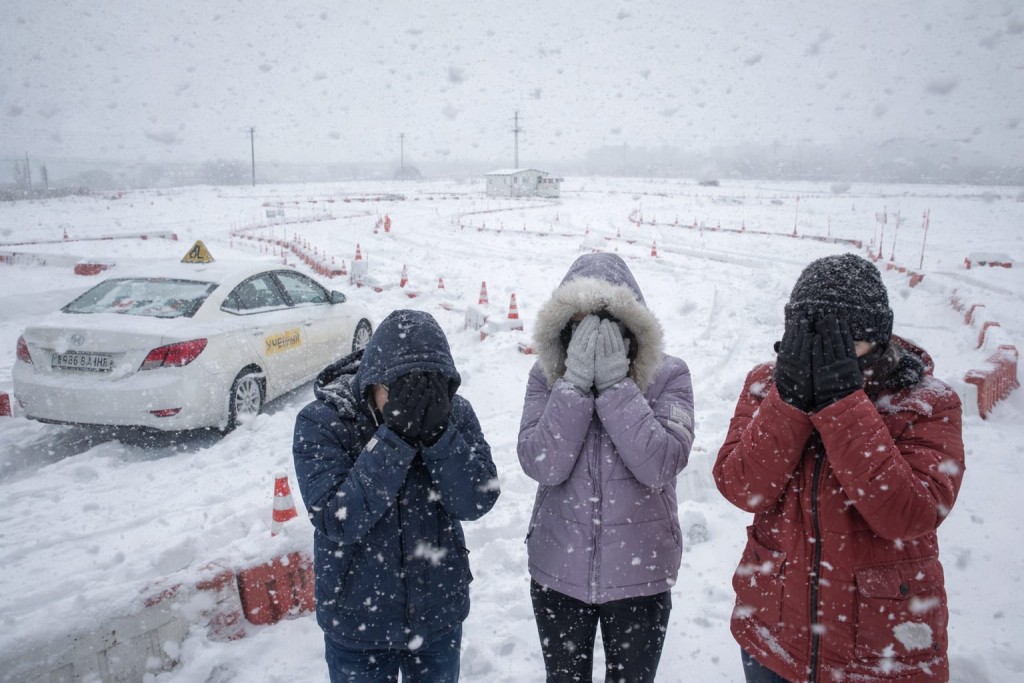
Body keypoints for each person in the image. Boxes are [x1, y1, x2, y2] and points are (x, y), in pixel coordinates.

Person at [713, 253, 966, 683]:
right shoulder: (767, 385)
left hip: (882, 647)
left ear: (877, 336)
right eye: (811, 336)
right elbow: (743, 487)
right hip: (772, 633)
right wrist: (788, 402)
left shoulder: (926, 402)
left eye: (843, 340)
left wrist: (842, 404)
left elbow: (911, 514)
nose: (825, 353)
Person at [292, 309, 500, 683]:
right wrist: (396, 440)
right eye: (401, 389)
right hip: (357, 621)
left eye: (428, 387)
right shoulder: (323, 421)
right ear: (372, 381)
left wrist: (439, 437)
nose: (416, 403)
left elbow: (477, 499)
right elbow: (336, 518)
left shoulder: (454, 413)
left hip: (437, 615)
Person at [517, 252, 695, 683]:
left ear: (631, 326)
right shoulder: (546, 377)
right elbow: (542, 463)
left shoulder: (668, 375)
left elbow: (661, 463)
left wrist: (617, 386)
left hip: (641, 575)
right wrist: (574, 384)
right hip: (559, 569)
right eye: (579, 323)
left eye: (606, 322)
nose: (593, 337)